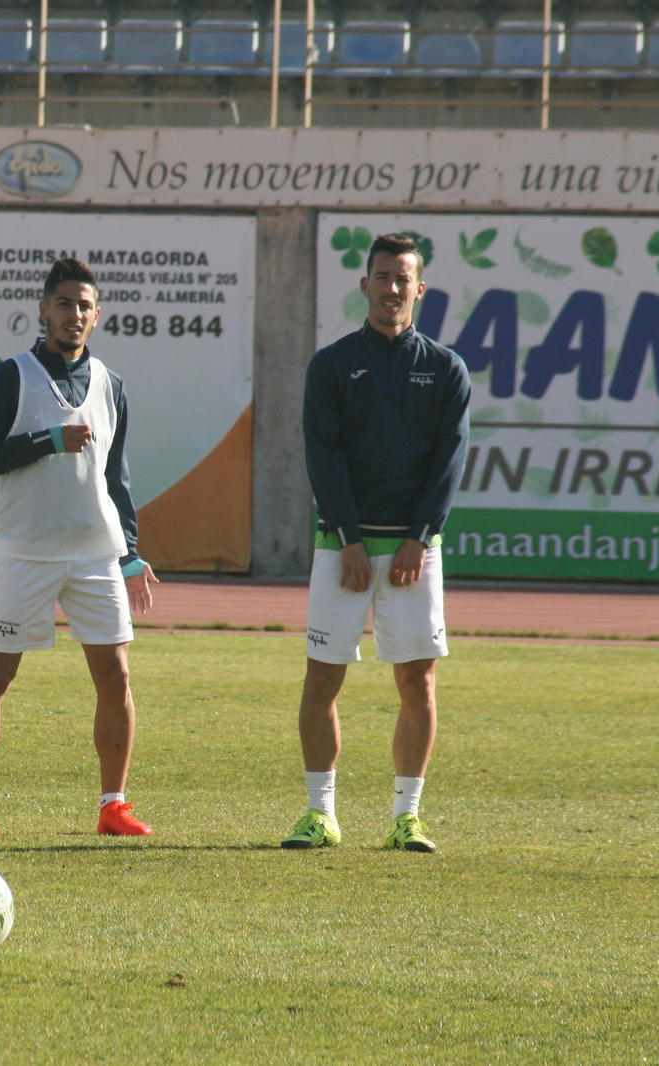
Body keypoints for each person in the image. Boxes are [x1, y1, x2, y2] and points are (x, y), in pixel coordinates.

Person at [0, 258, 160, 839]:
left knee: (116, 676)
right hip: (25, 552)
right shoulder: (10, 376)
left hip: (96, 554)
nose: (74, 314)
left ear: (97, 316)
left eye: (84, 305)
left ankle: (114, 805)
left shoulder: (110, 384)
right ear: (42, 310)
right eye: (64, 303)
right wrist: (46, 441)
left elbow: (116, 478)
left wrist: (132, 555)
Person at [283, 232, 470, 853]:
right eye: (382, 277)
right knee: (321, 681)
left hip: (417, 552)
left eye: (403, 278)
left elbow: (449, 462)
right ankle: (319, 814)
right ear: (364, 286)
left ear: (420, 288)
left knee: (417, 685)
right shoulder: (332, 364)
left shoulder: (446, 369)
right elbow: (323, 455)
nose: (392, 288)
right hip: (345, 549)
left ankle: (407, 817)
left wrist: (420, 537)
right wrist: (349, 539)